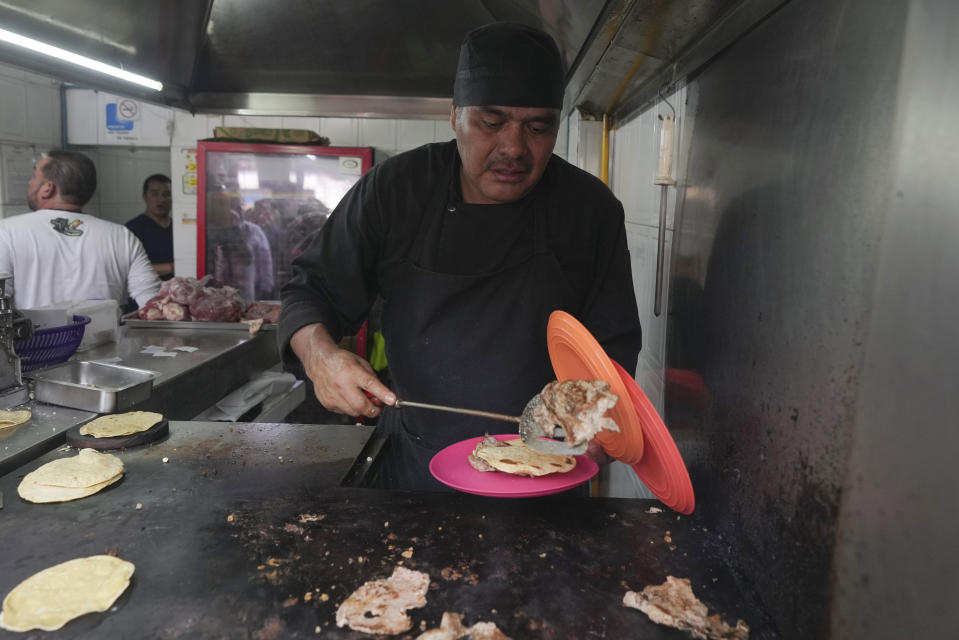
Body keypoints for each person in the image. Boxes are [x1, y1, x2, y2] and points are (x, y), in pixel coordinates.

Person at [279, 22, 642, 490]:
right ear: (455, 117)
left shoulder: (590, 211)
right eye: (491, 123)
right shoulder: (396, 190)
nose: (514, 148)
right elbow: (310, 291)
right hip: (412, 467)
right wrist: (321, 357)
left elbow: (612, 348)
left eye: (538, 127)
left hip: (545, 473)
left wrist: (598, 418)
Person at [0, 149, 161, 310]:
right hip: (106, 336)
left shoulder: (7, 232)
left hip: (34, 336)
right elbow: (154, 304)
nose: (30, 182)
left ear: (48, 188)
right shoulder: (122, 236)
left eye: (35, 176)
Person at [205, 191, 274, 301]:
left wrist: (266, 286)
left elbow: (264, 259)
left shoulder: (253, 230)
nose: (237, 210)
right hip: (218, 289)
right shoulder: (211, 229)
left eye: (240, 206)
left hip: (246, 288)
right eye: (232, 206)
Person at [126, 174, 174, 280]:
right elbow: (129, 268)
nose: (161, 199)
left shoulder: (179, 229)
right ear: (145, 197)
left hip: (178, 292)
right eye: (155, 194)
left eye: (166, 194)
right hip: (146, 294)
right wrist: (173, 267)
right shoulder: (132, 229)